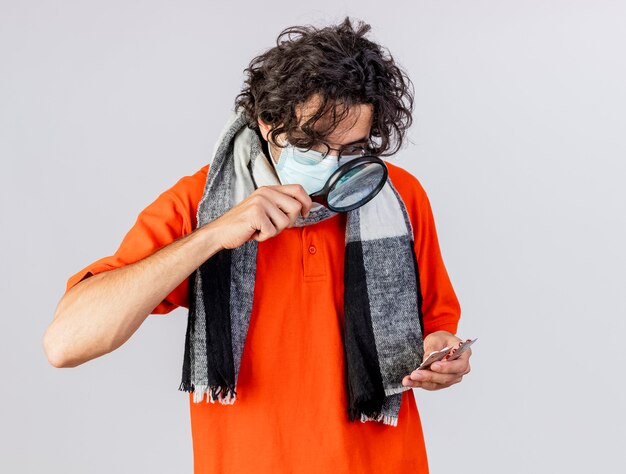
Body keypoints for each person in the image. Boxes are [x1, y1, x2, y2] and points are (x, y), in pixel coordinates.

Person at [44, 16, 472, 473]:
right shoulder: (200, 203)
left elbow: (436, 334)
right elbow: (65, 344)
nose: (330, 165)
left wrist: (443, 358)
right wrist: (212, 235)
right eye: (312, 144)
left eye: (350, 149)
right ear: (269, 121)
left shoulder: (399, 199)